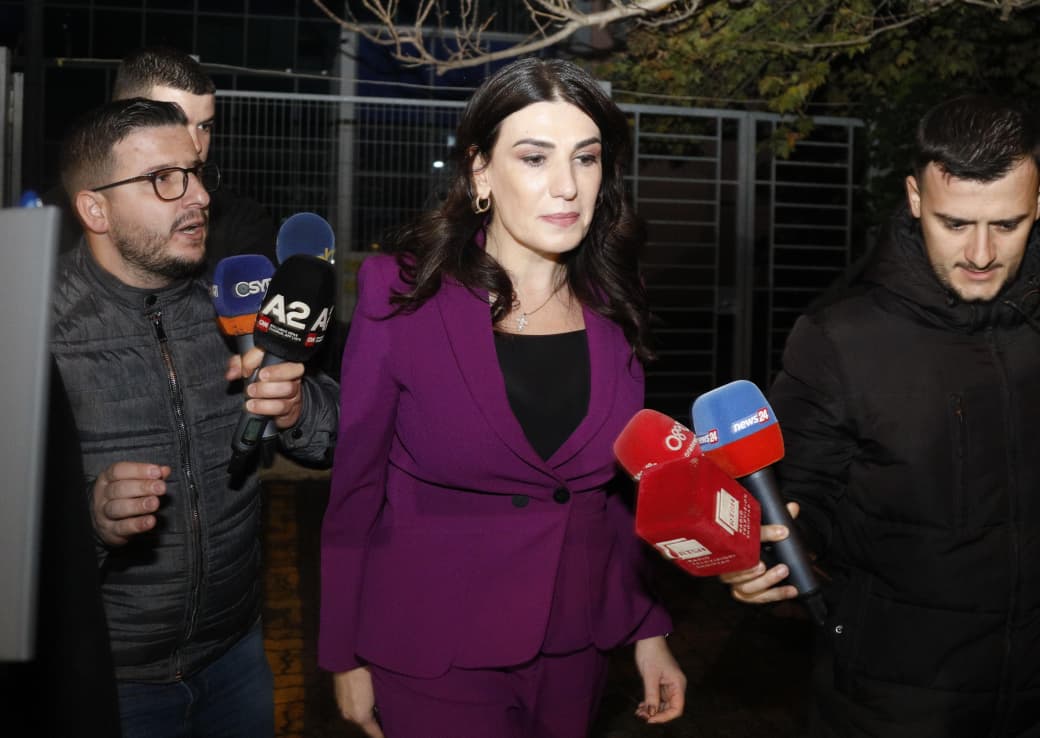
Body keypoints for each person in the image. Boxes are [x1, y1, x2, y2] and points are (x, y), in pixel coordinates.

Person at [319, 57, 686, 738]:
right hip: (433, 649)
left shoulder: (616, 301)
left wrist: (646, 628)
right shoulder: (401, 293)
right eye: (534, 157)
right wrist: (343, 650)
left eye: (586, 158)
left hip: (575, 646)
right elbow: (356, 488)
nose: (567, 185)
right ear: (481, 171)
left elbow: (610, 494)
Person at [720, 94, 1040, 736]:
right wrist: (758, 555)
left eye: (1007, 225)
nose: (981, 253)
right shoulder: (840, 338)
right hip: (892, 704)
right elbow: (795, 499)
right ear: (916, 199)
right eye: (955, 223)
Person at [53, 97, 339, 738]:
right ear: (95, 210)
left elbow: (334, 437)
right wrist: (88, 518)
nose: (200, 197)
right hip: (110, 681)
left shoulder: (236, 304)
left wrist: (297, 407)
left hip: (238, 657)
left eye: (197, 173)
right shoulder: (35, 330)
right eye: (164, 179)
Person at [45, 45, 278, 272]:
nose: (196, 144)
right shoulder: (50, 224)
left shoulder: (241, 222)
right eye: (174, 122)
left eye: (204, 126)